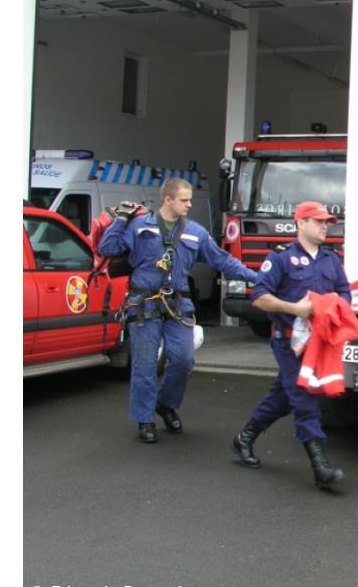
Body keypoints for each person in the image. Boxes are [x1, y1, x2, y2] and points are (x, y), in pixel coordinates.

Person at [99, 178, 258, 444]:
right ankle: (145, 419)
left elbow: (223, 261)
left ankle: (165, 405)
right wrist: (121, 220)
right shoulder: (139, 227)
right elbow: (107, 249)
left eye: (189, 199)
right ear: (168, 200)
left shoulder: (195, 232)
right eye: (184, 200)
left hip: (178, 305)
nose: (189, 204)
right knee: (145, 365)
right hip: (144, 303)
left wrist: (257, 278)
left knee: (184, 360)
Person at [230, 201, 351, 489]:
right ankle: (320, 467)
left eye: (326, 222)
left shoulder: (331, 259)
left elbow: (344, 291)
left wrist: (335, 307)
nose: (325, 227)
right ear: (301, 223)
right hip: (288, 343)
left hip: (318, 343)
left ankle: (244, 438)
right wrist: (295, 309)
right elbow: (259, 296)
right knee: (304, 397)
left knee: (284, 396)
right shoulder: (281, 258)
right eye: (319, 221)